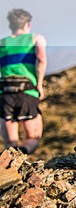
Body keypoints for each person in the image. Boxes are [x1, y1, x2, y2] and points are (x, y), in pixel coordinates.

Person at [0, 9, 46, 154]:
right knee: (33, 137)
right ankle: (23, 153)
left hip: (5, 93)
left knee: (10, 143)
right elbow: (42, 59)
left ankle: (10, 168)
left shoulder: (2, 43)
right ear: (28, 24)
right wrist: (39, 84)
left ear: (10, 25)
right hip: (27, 90)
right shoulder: (36, 38)